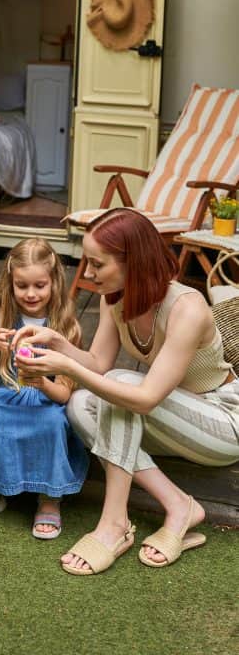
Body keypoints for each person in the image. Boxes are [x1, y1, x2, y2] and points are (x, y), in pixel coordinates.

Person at [13, 208, 239, 575]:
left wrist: (67, 368)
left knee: (124, 386)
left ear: (133, 262)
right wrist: (58, 344)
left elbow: (146, 397)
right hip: (174, 416)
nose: (86, 273)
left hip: (224, 421)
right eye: (87, 262)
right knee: (81, 403)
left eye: (97, 264)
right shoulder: (113, 298)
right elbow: (97, 363)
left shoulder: (187, 308)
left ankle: (114, 524)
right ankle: (179, 505)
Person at [0, 239, 89, 535]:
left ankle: (50, 497)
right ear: (11, 283)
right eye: (22, 286)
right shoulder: (0, 318)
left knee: (54, 422)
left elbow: (64, 394)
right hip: (7, 395)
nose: (31, 294)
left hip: (47, 400)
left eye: (39, 286)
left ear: (54, 283)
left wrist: (42, 382)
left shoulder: (66, 327)